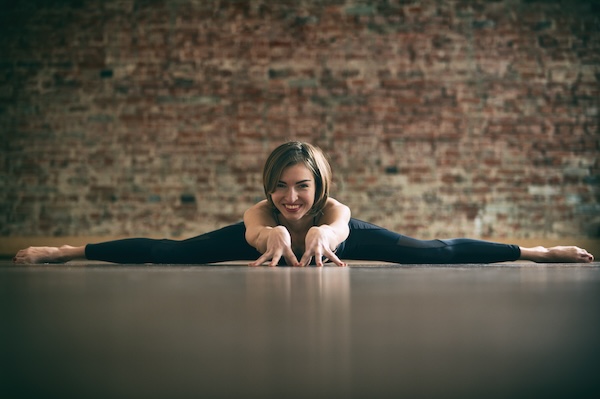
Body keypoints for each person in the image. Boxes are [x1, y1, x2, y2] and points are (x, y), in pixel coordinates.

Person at [13, 141, 594, 266]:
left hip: (340, 239)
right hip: (268, 242)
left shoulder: (333, 210)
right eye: (282, 187)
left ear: (317, 188)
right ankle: (68, 250)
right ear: (271, 187)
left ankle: (534, 252)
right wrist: (272, 236)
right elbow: (256, 225)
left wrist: (321, 235)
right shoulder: (261, 214)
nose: (292, 198)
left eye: (303, 188)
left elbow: (335, 225)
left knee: (431, 249)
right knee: (171, 252)